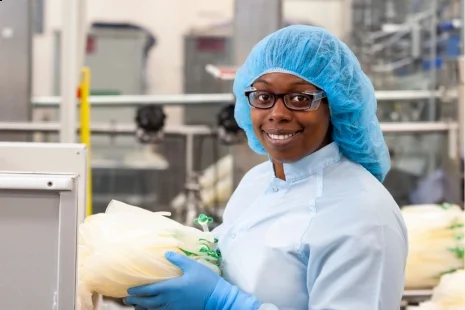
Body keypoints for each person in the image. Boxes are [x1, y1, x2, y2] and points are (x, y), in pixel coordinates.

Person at [124, 25, 408, 310]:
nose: (277, 114)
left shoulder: (364, 217)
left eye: (300, 98)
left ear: (335, 106)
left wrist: (225, 302)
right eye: (263, 96)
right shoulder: (258, 182)